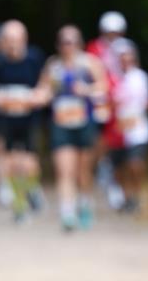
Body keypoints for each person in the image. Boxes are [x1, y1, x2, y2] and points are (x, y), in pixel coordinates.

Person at [35, 25, 107, 231]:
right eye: (64, 42)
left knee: (83, 171)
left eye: (72, 41)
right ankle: (67, 213)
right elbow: (43, 88)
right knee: (64, 170)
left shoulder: (90, 63)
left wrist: (86, 90)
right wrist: (40, 96)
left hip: (85, 122)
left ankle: (85, 205)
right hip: (61, 123)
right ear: (59, 45)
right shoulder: (53, 66)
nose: (68, 46)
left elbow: (103, 87)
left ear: (79, 43)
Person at [0, 19, 45, 221]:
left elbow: (46, 82)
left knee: (29, 162)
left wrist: (38, 96)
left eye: (16, 39)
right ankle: (18, 203)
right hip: (4, 119)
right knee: (10, 161)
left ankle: (32, 189)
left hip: (28, 118)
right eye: (8, 39)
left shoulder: (34, 58)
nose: (12, 44)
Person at [87, 11, 128, 210]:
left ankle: (114, 176)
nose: (113, 36)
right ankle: (104, 166)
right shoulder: (94, 48)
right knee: (100, 138)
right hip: (100, 101)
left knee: (119, 141)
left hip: (122, 101)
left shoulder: (125, 48)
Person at [108, 38, 148, 213]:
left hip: (137, 129)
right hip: (118, 130)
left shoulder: (140, 77)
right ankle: (126, 197)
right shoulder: (111, 78)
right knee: (119, 168)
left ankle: (137, 195)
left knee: (135, 164)